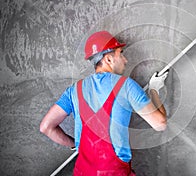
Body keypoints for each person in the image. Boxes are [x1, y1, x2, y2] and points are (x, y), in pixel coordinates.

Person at [40, 31, 169, 175]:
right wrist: (154, 90)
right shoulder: (126, 86)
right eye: (121, 54)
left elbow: (46, 127)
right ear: (108, 59)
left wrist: (76, 145)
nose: (125, 60)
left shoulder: (74, 91)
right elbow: (160, 124)